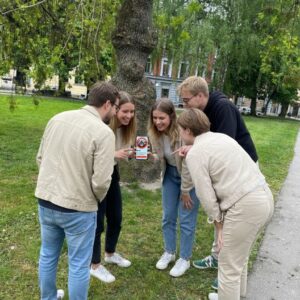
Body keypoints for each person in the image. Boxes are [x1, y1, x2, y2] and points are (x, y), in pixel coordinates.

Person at [177, 108, 274, 300]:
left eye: (179, 129)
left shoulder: (196, 153)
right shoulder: (221, 137)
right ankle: (237, 295)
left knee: (228, 266)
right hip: (264, 197)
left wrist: (219, 224)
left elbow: (206, 196)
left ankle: (228, 295)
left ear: (187, 130)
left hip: (246, 206)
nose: (179, 133)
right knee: (239, 257)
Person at [35, 81, 119, 300]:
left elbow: (40, 158)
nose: (116, 113)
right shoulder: (104, 132)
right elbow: (101, 181)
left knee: (48, 253)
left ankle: (48, 297)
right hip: (78, 208)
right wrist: (95, 199)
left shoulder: (57, 118)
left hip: (46, 199)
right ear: (107, 104)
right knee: (79, 264)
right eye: (116, 107)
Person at [177, 76, 258, 288]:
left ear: (201, 96)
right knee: (223, 216)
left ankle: (227, 273)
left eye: (186, 101)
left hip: (240, 173)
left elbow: (223, 145)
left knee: (233, 225)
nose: (184, 105)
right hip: (226, 173)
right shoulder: (204, 111)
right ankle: (217, 256)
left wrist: (193, 151)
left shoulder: (223, 108)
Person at [148, 98, 200, 277]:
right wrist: (152, 156)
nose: (157, 122)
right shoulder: (155, 132)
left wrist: (186, 191)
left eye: (161, 118)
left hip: (189, 178)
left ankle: (184, 258)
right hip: (170, 175)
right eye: (154, 118)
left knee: (186, 219)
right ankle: (169, 252)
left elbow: (187, 166)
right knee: (168, 216)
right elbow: (162, 158)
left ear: (171, 116)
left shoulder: (182, 133)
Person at [90, 91, 136, 283]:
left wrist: (134, 153)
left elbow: (121, 153)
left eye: (132, 112)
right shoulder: (102, 126)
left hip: (112, 173)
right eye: (125, 111)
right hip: (97, 174)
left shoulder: (126, 128)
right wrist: (114, 153)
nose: (129, 116)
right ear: (115, 109)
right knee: (98, 222)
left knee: (116, 218)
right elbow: (92, 154)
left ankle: (110, 253)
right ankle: (94, 265)